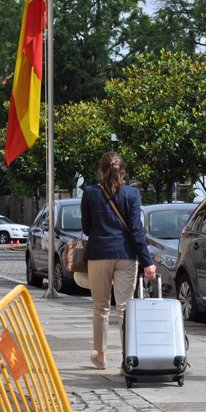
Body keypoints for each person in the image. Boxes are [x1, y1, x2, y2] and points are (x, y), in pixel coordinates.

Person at [81, 152, 156, 371]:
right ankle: (127, 359)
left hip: (99, 254)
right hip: (126, 254)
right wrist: (147, 261)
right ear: (121, 171)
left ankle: (101, 356)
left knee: (101, 308)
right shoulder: (132, 194)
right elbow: (136, 230)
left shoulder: (90, 193)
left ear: (100, 170)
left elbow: (86, 228)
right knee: (124, 308)